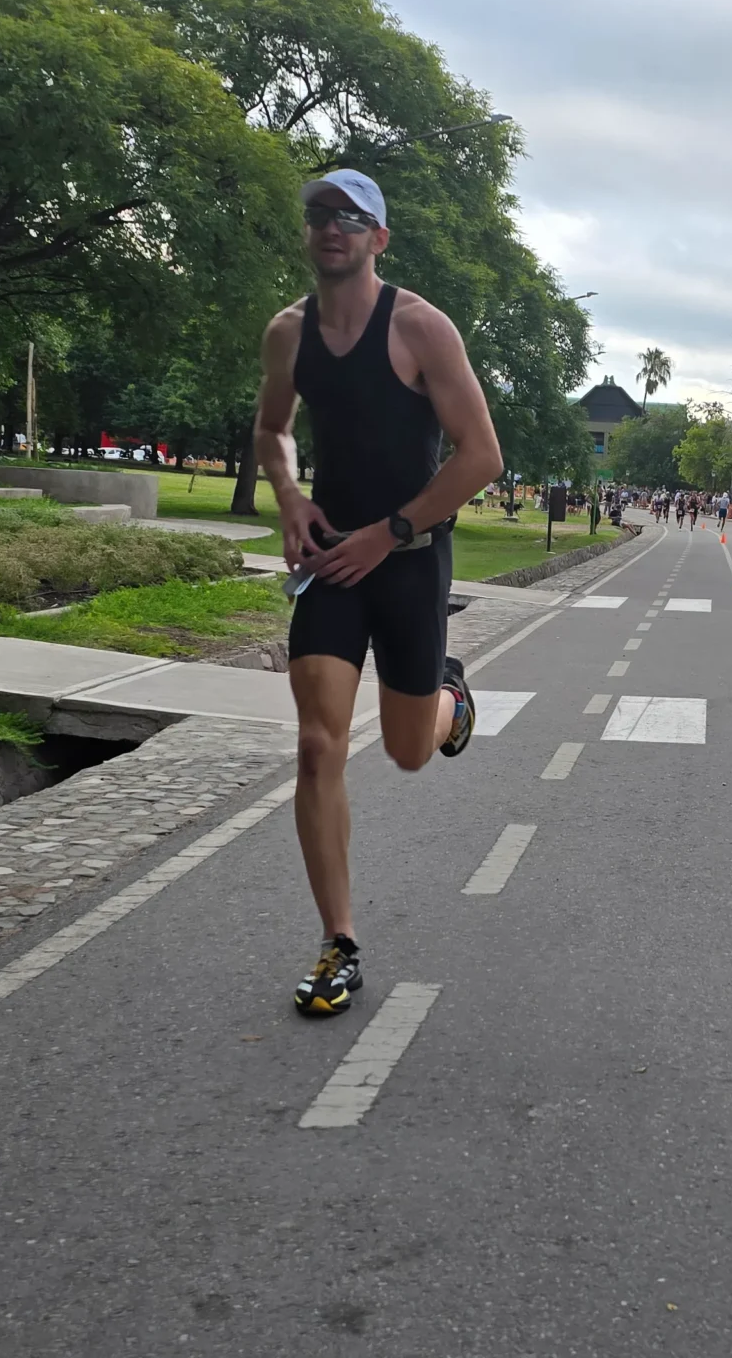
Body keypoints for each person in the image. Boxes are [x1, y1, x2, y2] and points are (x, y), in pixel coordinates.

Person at [257, 167, 501, 1019]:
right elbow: (272, 429)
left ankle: (449, 698)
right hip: (333, 563)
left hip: (408, 558)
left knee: (406, 750)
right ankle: (340, 942)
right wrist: (291, 497)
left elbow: (481, 455)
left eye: (351, 217)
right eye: (319, 213)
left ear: (378, 238)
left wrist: (389, 532)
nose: (332, 227)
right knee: (317, 745)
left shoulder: (421, 328)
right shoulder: (288, 334)